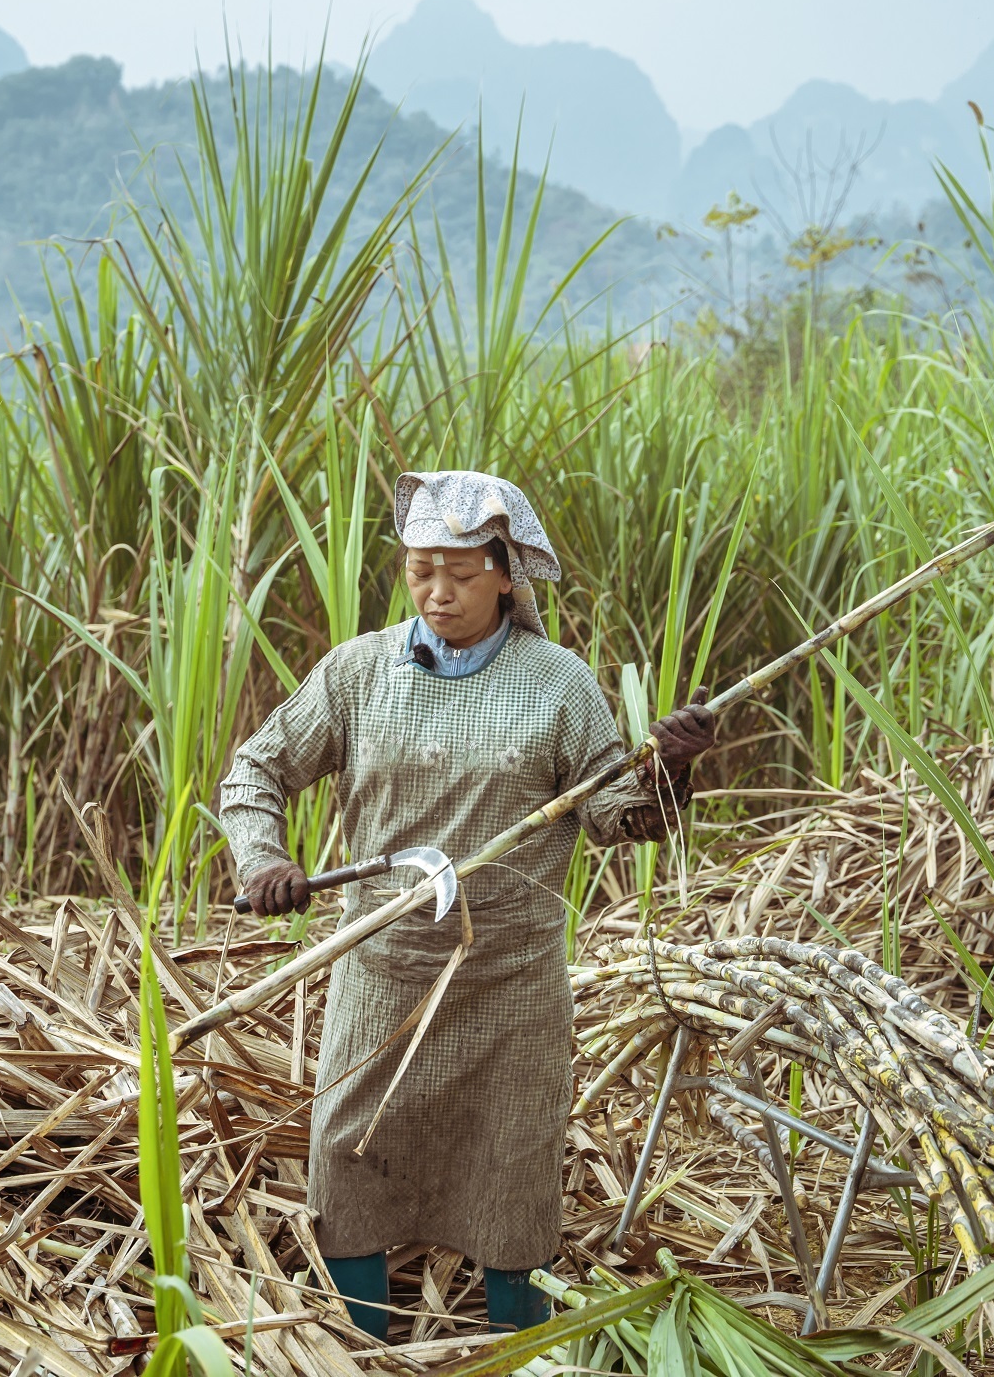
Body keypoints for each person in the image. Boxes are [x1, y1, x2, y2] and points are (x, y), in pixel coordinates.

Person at [219, 471, 716, 1339]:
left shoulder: (557, 685)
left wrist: (668, 768)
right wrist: (265, 859)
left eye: (458, 573)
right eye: (419, 572)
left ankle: (514, 1350)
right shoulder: (358, 673)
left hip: (509, 980)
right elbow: (254, 771)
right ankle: (360, 1347)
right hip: (383, 966)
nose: (437, 594)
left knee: (511, 1164)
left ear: (505, 573)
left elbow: (620, 818)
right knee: (349, 1152)